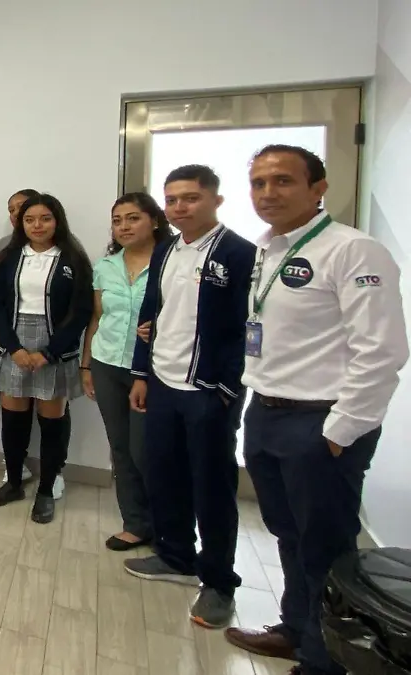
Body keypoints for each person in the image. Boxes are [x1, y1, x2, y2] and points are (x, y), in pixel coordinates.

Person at [225, 145, 408, 675]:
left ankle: (325, 660)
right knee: (287, 532)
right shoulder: (268, 249)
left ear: (318, 187)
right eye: (258, 183)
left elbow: (382, 351)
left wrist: (341, 429)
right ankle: (296, 629)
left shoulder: (353, 251)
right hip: (266, 410)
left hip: (319, 420)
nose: (267, 193)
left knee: (324, 544)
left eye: (283, 181)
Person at [125, 164, 255, 630]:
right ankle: (176, 555)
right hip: (163, 381)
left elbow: (249, 328)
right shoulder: (167, 249)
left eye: (191, 198)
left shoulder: (239, 253)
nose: (180, 207)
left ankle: (218, 582)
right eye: (172, 199)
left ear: (216, 200)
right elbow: (151, 311)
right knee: (164, 473)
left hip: (207, 390)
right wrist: (141, 372)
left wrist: (227, 387)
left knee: (212, 487)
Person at [0, 193, 93, 523]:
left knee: (51, 421)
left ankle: (46, 490)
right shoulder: (9, 256)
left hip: (55, 346)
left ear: (57, 220)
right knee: (13, 418)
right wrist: (13, 347)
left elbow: (80, 311)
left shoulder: (72, 258)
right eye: (29, 219)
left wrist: (49, 351)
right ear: (21, 223)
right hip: (14, 343)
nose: (37, 225)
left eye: (45, 218)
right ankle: (14, 483)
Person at [80, 192, 169, 548]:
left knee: (147, 451)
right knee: (120, 448)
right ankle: (135, 523)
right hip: (106, 363)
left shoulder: (170, 262)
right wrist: (87, 364)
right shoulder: (106, 266)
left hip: (151, 369)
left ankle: (166, 529)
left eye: (133, 218)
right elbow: (98, 317)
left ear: (154, 221)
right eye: (117, 220)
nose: (124, 226)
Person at [0, 188, 46, 489]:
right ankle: (15, 467)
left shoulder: (65, 248)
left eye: (21, 207)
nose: (16, 214)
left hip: (49, 343)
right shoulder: (4, 246)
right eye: (11, 209)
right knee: (12, 408)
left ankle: (54, 471)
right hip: (10, 338)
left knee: (51, 409)